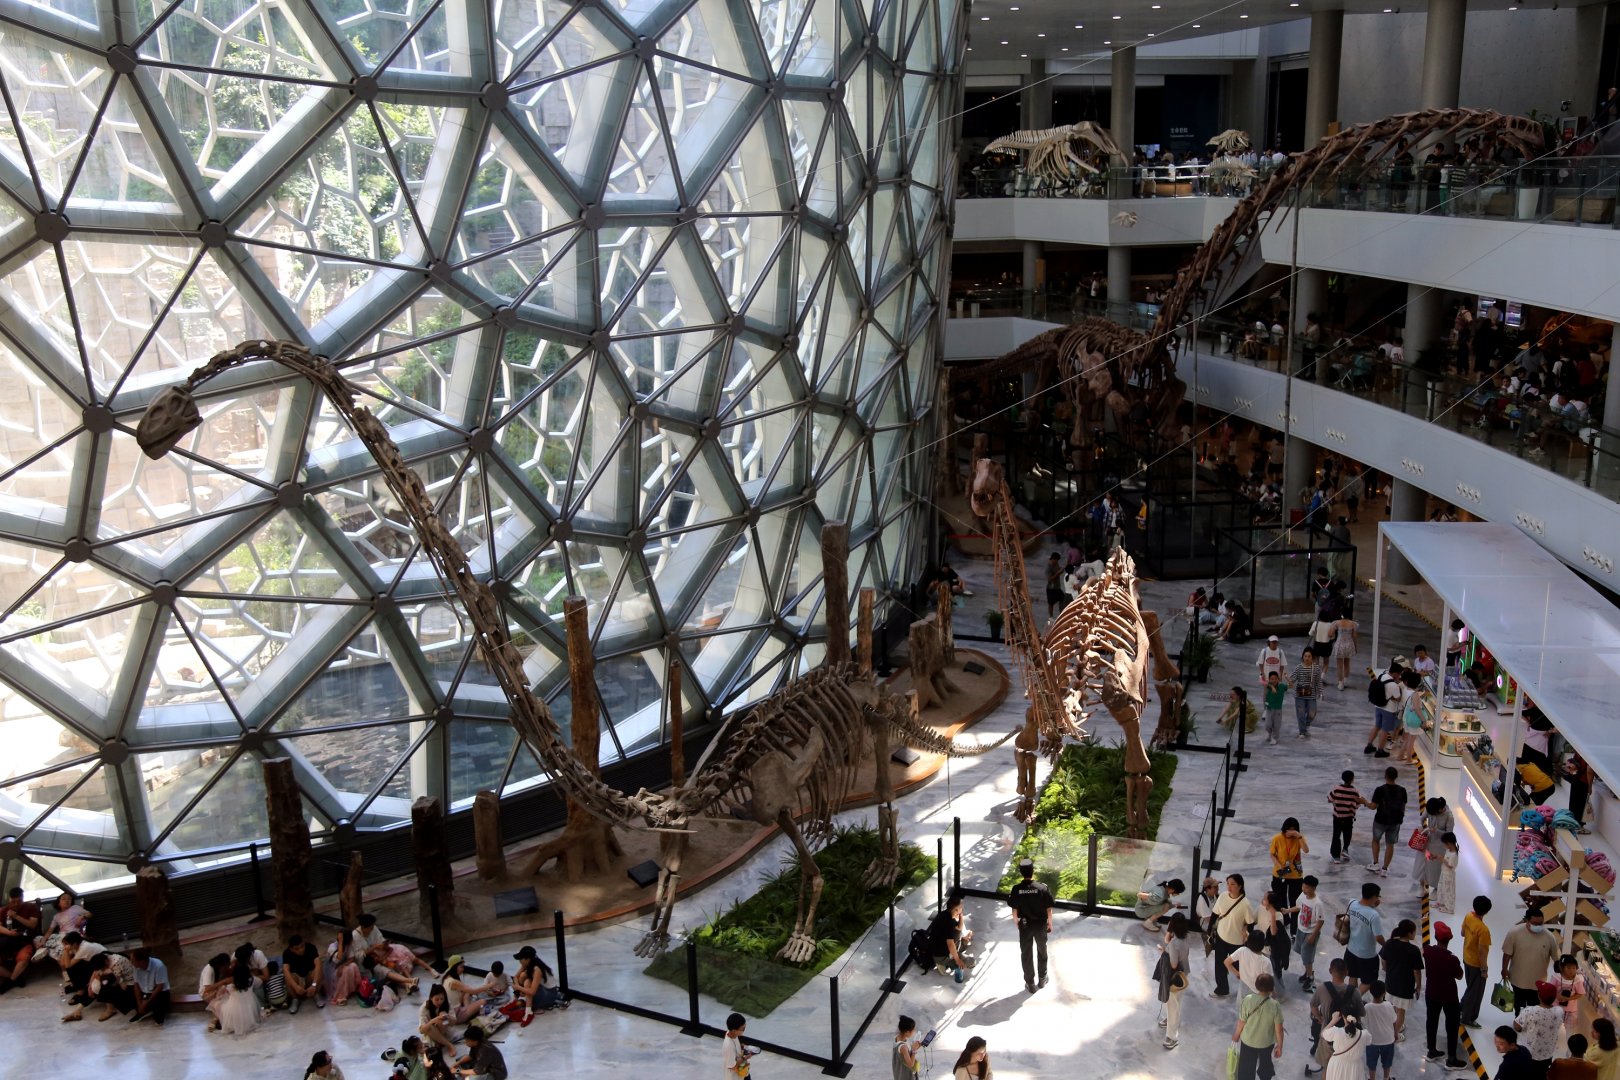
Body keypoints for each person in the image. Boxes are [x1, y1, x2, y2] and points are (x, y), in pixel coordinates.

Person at [1424, 920, 1468, 1068]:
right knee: (1452, 1026)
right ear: (1449, 939)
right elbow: (1460, 976)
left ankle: (1431, 1051)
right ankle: (1452, 1059)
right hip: (1449, 996)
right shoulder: (1451, 958)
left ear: (1436, 937)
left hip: (1431, 993)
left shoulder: (1428, 951)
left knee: (1431, 1021)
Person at [1009, 857, 1055, 991]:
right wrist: (1050, 924)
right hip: (1040, 925)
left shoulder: (1016, 889)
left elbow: (1014, 910)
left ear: (1021, 872)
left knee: (1026, 953)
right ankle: (1042, 979)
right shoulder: (1042, 888)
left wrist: (1016, 922)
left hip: (1025, 926)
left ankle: (1030, 983)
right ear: (1032, 871)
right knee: (1042, 951)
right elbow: (1049, 909)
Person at [1504, 908, 1562, 1012]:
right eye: (1535, 923)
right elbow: (1507, 953)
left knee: (1534, 1009)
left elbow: (1556, 958)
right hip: (1518, 980)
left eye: (1541, 923)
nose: (1538, 926)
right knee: (1518, 1006)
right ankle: (1519, 1022)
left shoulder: (1549, 937)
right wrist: (1504, 969)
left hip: (1538, 982)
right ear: (1527, 920)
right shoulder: (1514, 932)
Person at [1233, 973, 1285, 1080]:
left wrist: (1236, 1034)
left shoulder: (1248, 1000)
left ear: (1256, 985)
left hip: (1248, 1040)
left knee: (1246, 1068)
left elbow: (1241, 1022)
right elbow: (1279, 1030)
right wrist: (1280, 1046)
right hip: (1266, 1043)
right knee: (1265, 1064)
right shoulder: (1275, 1005)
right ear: (1271, 988)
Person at [1212, 874, 1257, 998]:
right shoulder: (1222, 896)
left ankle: (1250, 987)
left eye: (1233, 884)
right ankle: (1222, 989)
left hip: (1236, 941)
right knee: (1219, 964)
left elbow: (1250, 922)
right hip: (1221, 936)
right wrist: (1209, 930)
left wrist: (1247, 933)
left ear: (1240, 886)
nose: (1229, 887)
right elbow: (1215, 914)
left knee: (1240, 967)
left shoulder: (1245, 904)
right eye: (1228, 884)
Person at [1379, 919, 1422, 1042]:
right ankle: (1394, 1035)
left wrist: (1386, 969)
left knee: (1392, 1004)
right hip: (1405, 986)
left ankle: (1393, 1025)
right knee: (1401, 1012)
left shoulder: (1390, 943)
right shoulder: (1413, 950)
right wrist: (1418, 985)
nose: (1415, 934)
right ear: (1409, 933)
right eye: (1414, 932)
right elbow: (1417, 971)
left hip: (1391, 982)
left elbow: (1383, 959)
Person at [1154, 913, 1192, 1050]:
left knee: (1172, 1006)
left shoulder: (1174, 943)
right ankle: (1170, 1021)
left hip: (1174, 977)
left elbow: (1174, 964)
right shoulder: (1187, 937)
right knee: (1176, 1003)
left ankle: (1172, 1037)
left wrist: (1165, 951)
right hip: (1184, 974)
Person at [1517, 983, 1568, 1076]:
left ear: (1539, 996)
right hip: (1547, 1054)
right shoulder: (1559, 1011)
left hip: (1528, 1053)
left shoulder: (1530, 1010)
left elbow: (1517, 1026)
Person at [1365, 767, 1407, 877]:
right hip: (1395, 821)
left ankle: (1375, 863)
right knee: (1390, 844)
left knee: (1376, 840)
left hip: (1381, 820)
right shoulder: (1402, 790)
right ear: (1396, 777)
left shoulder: (1380, 790)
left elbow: (1373, 806)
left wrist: (1364, 802)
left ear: (1385, 776)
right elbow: (1403, 806)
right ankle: (1385, 869)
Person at [1345, 882, 1385, 993]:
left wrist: (1372, 905)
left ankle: (1350, 998)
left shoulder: (1352, 903)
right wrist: (1387, 945)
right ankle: (1354, 1000)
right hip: (1367, 955)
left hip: (1351, 949)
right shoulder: (1374, 915)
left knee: (1353, 976)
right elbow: (1378, 937)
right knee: (1369, 981)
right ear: (1374, 897)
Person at [32, 891, 90, 969]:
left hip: (73, 935)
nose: (67, 900)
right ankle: (45, 948)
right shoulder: (56, 916)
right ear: (59, 903)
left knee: (61, 953)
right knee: (37, 939)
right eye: (64, 899)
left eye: (69, 899)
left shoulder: (75, 908)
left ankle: (47, 950)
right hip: (61, 935)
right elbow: (50, 930)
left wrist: (82, 917)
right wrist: (43, 940)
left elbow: (89, 914)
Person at [1461, 895, 1494, 1026]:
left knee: (1470, 988)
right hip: (1476, 964)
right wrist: (1484, 969)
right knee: (1475, 993)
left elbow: (1462, 933)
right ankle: (1468, 1018)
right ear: (1487, 911)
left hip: (1466, 958)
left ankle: (1461, 1008)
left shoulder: (1468, 916)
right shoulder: (1484, 930)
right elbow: (1482, 952)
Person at [1365, 657, 1405, 758]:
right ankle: (1380, 750)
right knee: (1384, 730)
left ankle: (1369, 745)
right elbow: (1398, 698)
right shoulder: (1393, 685)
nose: (1399, 676)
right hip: (1388, 710)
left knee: (1376, 726)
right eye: (1399, 674)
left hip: (1378, 706)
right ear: (1395, 673)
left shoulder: (1381, 676)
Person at [1328, 770, 1370, 864]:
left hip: (1337, 816)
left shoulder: (1336, 788)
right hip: (1348, 817)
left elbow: (1330, 799)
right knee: (1348, 833)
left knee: (1336, 835)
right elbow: (1357, 804)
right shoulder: (1354, 791)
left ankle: (1336, 856)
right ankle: (1345, 849)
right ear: (1352, 780)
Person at [512, 945, 562, 1022]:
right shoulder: (528, 964)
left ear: (527, 959)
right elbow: (515, 977)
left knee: (527, 982)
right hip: (544, 991)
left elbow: (532, 992)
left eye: (521, 958)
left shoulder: (537, 969)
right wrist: (519, 989)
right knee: (522, 976)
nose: (519, 961)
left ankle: (528, 1011)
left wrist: (519, 988)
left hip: (550, 995)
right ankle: (523, 1002)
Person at [208, 964, 263, 1035]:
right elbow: (260, 982)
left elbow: (220, 993)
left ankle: (219, 1021)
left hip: (234, 1010)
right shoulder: (252, 980)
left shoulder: (231, 984)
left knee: (214, 1003)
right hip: (250, 1008)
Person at [0, 887, 40, 986]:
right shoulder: (4, 910)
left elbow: (32, 924)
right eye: (13, 902)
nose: (16, 904)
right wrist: (9, 932)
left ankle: (10, 982)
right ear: (9, 899)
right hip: (6, 941)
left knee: (24, 960)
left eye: (19, 901)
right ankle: (14, 978)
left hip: (24, 941)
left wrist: (16, 916)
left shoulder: (31, 907)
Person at [929, 893, 971, 982]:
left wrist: (960, 915)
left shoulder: (945, 914)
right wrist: (958, 960)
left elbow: (959, 928)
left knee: (962, 938)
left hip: (941, 949)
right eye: (960, 907)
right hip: (941, 955)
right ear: (956, 909)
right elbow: (950, 943)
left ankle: (953, 958)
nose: (962, 908)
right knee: (969, 962)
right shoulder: (949, 922)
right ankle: (944, 964)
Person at [1416, 798, 1454, 895]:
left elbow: (1449, 834)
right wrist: (1423, 827)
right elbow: (1422, 818)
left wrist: (1436, 831)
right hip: (1426, 841)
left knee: (1436, 868)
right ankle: (1421, 886)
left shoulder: (1449, 816)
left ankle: (1436, 888)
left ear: (1440, 810)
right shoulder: (1431, 807)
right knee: (1422, 865)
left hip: (1439, 845)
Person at [1257, 892, 1292, 989]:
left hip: (1273, 950)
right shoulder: (1261, 908)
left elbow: (1273, 932)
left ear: (1270, 902)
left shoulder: (1278, 915)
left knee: (1275, 972)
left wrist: (1272, 914)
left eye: (1265, 898)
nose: (1262, 899)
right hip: (1261, 947)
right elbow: (1254, 919)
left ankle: (1281, 991)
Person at [1363, 981, 1397, 1080]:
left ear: (1370, 992)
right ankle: (1386, 1078)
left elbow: (1364, 1023)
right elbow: (1394, 1021)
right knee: (1387, 1062)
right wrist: (1395, 1034)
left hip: (1372, 1041)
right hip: (1388, 1040)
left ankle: (1372, 1078)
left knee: (1371, 1063)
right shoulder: (1389, 1005)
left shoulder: (1367, 1007)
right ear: (1384, 992)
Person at [1296, 875, 1323, 993]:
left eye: (1306, 887)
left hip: (1310, 932)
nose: (1303, 889)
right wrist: (1287, 911)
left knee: (1307, 956)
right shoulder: (1303, 896)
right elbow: (1298, 908)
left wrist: (1313, 935)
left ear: (1313, 888)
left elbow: (1321, 921)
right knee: (1301, 952)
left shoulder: (1317, 903)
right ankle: (1307, 973)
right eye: (1303, 886)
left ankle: (1310, 978)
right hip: (1301, 929)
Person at [129, 948, 170, 1026]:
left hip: (158, 992)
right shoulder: (135, 967)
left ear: (141, 962)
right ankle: (143, 1011)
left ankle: (150, 1009)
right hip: (144, 991)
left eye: (133, 961)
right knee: (128, 994)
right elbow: (136, 985)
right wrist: (139, 1004)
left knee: (159, 1021)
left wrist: (146, 1002)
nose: (131, 963)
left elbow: (160, 987)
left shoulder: (159, 966)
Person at [1228, 930, 1273, 999]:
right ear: (1263, 944)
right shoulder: (1266, 961)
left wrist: (1237, 973)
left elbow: (1227, 962)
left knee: (1244, 1007)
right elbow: (1269, 982)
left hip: (1244, 986)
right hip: (1259, 992)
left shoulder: (1242, 950)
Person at [282, 934, 321, 1012]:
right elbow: (286, 970)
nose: (301, 950)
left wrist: (314, 984)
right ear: (291, 949)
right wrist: (295, 986)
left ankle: (316, 994)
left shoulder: (311, 947)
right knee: (287, 976)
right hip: (298, 979)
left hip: (309, 977)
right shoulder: (286, 953)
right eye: (297, 949)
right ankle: (295, 999)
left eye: (302, 946)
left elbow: (318, 964)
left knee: (318, 968)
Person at [1292, 649, 1324, 737]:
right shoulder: (1299, 667)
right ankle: (1302, 732)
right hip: (1300, 695)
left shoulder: (1316, 669)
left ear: (1312, 658)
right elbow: (1292, 678)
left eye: (1309, 656)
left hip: (1311, 695)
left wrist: (1320, 693)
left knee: (1312, 713)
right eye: (1305, 656)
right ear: (1303, 657)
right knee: (1301, 713)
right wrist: (1288, 683)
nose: (1307, 658)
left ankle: (1306, 723)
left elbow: (1319, 682)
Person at [1261, 670, 1288, 746]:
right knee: (1268, 725)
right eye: (1272, 679)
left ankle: (1275, 738)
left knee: (1277, 725)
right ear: (1269, 679)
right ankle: (1269, 734)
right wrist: (1272, 687)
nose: (1274, 680)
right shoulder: (1267, 685)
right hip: (1269, 708)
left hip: (1278, 709)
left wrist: (1287, 678)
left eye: (1275, 678)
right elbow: (1264, 683)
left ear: (1278, 679)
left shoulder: (1282, 686)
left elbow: (1291, 686)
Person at [1435, 832, 1459, 913]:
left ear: (1448, 843)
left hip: (1448, 875)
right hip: (1444, 873)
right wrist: (1439, 857)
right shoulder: (1448, 850)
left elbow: (1450, 866)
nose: (1444, 846)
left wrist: (1442, 859)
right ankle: (1441, 902)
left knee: (1448, 891)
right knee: (1441, 887)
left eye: (1445, 844)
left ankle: (1449, 908)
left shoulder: (1454, 854)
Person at [893, 1015, 923, 1080]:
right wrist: (914, 1050)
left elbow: (903, 1055)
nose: (914, 1031)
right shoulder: (903, 1047)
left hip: (899, 1074)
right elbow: (911, 1064)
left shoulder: (897, 1038)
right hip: (906, 1076)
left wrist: (914, 1047)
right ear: (907, 1032)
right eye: (913, 1030)